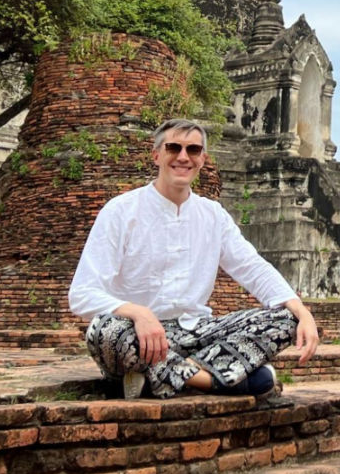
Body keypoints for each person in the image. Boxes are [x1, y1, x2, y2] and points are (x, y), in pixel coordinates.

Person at [69, 118, 319, 399]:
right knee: (104, 330)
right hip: (139, 335)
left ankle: (171, 377)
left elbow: (252, 267)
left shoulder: (212, 215)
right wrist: (139, 313)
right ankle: (220, 378)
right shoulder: (121, 211)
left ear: (203, 159)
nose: (183, 157)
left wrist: (301, 310)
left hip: (198, 334)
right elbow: (82, 294)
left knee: (287, 319)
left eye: (193, 150)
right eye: (174, 148)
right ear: (157, 155)